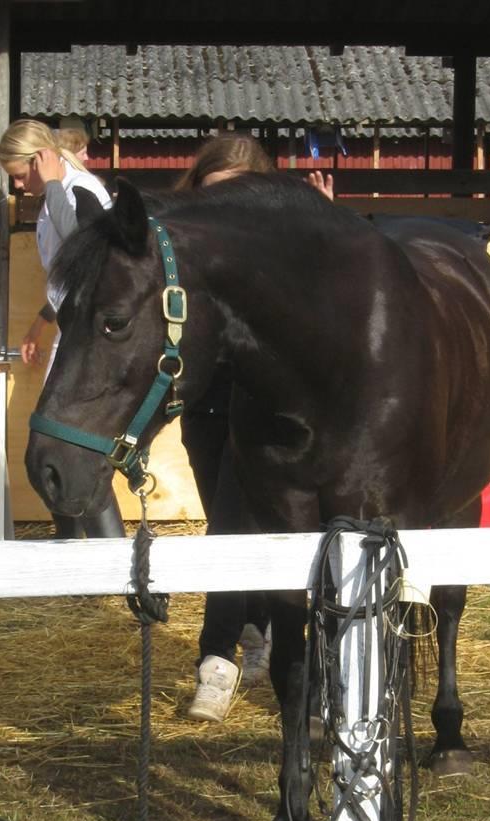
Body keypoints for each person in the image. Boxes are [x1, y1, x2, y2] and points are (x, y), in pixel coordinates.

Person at [173, 135, 276, 722]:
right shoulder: (187, 250)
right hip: (205, 405)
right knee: (228, 521)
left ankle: (216, 660)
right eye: (212, 194)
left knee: (229, 533)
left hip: (258, 406)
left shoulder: (277, 249)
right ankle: (259, 628)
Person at [0, 119, 125, 540]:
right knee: (62, 436)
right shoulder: (61, 192)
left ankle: (99, 550)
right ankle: (75, 543)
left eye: (19, 174)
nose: (17, 186)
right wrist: (40, 324)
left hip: (91, 339)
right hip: (76, 331)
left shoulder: (77, 190)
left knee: (73, 437)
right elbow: (66, 279)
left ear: (39, 160)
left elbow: (85, 255)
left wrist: (52, 185)